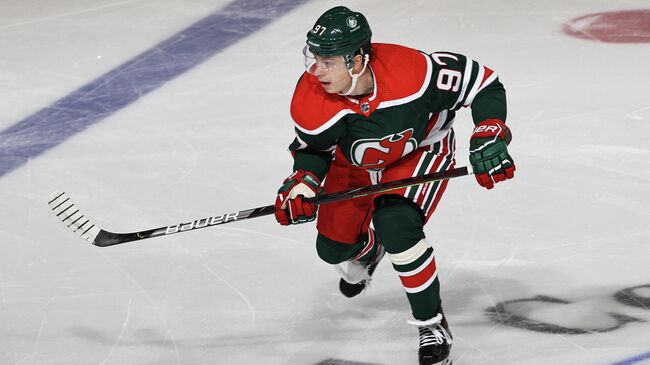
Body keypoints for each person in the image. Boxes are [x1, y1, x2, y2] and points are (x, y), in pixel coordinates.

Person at [273, 6, 515, 365]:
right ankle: (369, 250)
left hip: (416, 153)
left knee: (396, 224)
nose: (315, 70)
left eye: (327, 61)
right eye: (313, 57)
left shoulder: (414, 72)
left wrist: (488, 131)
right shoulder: (311, 97)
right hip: (354, 164)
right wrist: (303, 183)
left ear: (357, 60)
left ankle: (431, 324)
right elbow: (314, 149)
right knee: (333, 250)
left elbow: (484, 84)